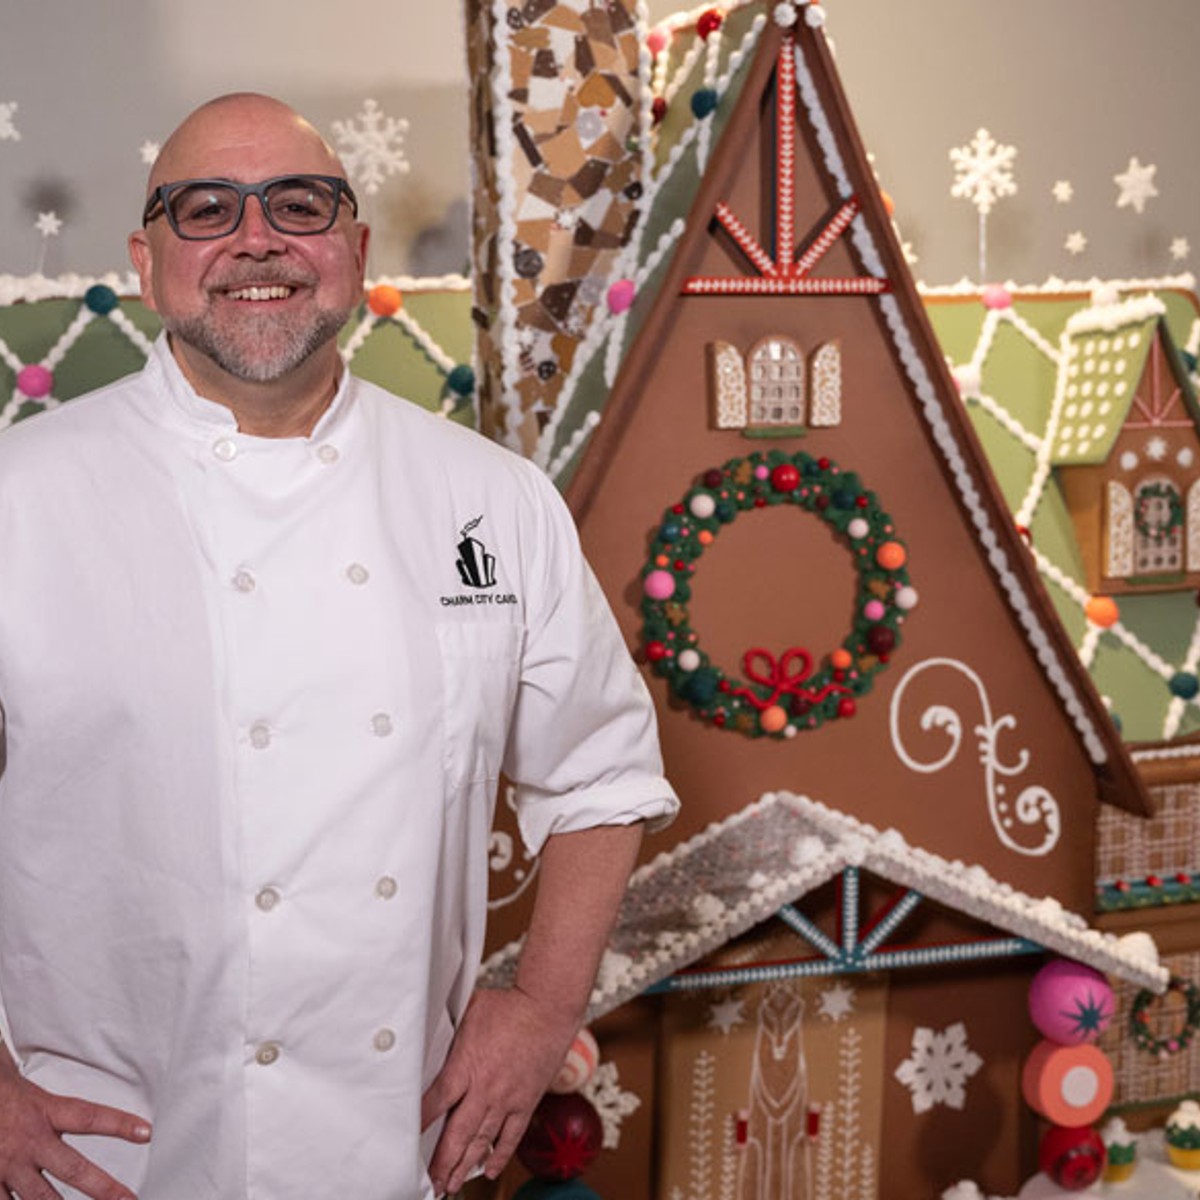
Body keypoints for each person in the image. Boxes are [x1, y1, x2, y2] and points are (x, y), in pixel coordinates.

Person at [0, 94, 677, 1200]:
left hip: (388, 1144)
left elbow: (600, 775)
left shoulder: (492, 502)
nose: (256, 240)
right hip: (101, 1158)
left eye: (299, 205)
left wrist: (544, 1007)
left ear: (353, 249)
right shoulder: (21, 497)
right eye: (206, 209)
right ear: (148, 259)